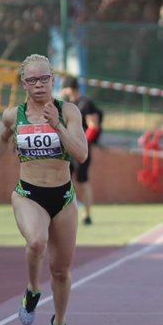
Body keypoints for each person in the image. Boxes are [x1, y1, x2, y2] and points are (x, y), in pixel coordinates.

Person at [0, 54, 88, 325]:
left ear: (54, 79)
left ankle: (60, 323)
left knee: (61, 271)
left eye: (44, 79)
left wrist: (58, 127)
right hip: (28, 192)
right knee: (36, 241)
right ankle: (31, 289)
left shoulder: (69, 111)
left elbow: (81, 154)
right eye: (32, 80)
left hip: (63, 197)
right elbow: (2, 139)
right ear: (23, 83)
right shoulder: (14, 116)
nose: (39, 85)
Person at [61, 76, 102, 225]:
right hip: (66, 149)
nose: (63, 91)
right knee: (65, 181)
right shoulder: (65, 104)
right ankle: (66, 213)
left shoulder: (86, 103)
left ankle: (87, 214)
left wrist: (82, 144)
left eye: (65, 88)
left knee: (82, 180)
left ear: (71, 88)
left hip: (81, 148)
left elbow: (93, 125)